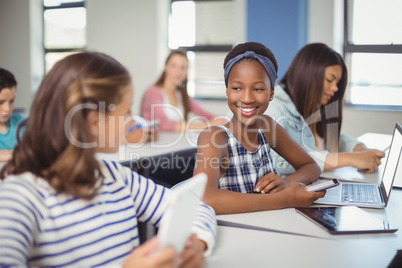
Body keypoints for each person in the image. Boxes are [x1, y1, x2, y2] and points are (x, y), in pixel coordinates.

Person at [0, 52, 216, 267]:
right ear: (94, 123)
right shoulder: (19, 198)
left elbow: (197, 208)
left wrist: (197, 244)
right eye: (126, 111)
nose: (132, 120)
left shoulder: (115, 176)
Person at [192, 42, 325, 215]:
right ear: (227, 91)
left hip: (268, 226)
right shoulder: (215, 137)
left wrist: (286, 183)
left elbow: (311, 166)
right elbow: (204, 198)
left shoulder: (268, 127)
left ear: (271, 93)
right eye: (237, 88)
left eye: (258, 89)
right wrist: (283, 199)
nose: (247, 98)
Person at [265, 43, 385, 178]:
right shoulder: (273, 107)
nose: (335, 88)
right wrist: (350, 159)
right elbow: (280, 161)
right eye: (330, 80)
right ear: (307, 75)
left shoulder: (311, 106)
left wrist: (360, 150)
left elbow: (329, 137)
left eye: (337, 83)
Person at [141, 50, 224, 132]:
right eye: (174, 66)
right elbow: (163, 123)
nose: (178, 72)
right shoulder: (153, 92)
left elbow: (206, 115)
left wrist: (221, 121)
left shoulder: (181, 95)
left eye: (183, 67)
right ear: (165, 68)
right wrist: (205, 126)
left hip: (178, 144)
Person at [0, 68, 25, 162]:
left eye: (11, 101)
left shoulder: (21, 123)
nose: (7, 109)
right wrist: (19, 154)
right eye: (1, 102)